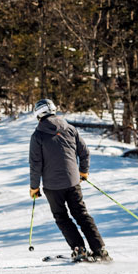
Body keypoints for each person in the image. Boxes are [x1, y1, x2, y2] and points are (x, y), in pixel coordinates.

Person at [29, 98, 111, 262]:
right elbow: (84, 152)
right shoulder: (70, 129)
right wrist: (83, 172)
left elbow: (35, 164)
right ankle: (99, 249)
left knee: (61, 216)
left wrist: (34, 188)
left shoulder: (38, 135)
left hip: (52, 186)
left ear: (38, 114)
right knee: (81, 214)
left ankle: (78, 248)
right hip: (73, 182)